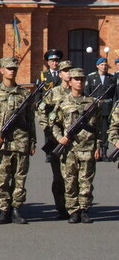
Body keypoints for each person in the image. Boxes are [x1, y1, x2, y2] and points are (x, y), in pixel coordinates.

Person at [0, 57, 36, 224]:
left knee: (20, 178)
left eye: (14, 68)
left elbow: (30, 120)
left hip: (21, 142)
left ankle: (17, 209)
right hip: (1, 143)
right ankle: (3, 209)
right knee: (2, 178)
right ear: (2, 70)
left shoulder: (24, 94)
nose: (12, 71)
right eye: (9, 68)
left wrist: (32, 142)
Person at [50, 68, 101, 224]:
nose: (79, 82)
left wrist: (98, 146)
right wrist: (60, 138)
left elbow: (98, 127)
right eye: (76, 79)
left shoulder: (92, 103)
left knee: (86, 181)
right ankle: (73, 210)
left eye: (82, 79)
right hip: (69, 148)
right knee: (70, 180)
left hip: (87, 147)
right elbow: (55, 124)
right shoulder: (63, 103)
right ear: (70, 81)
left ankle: (84, 209)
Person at [36, 59, 73, 219]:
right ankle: (60, 206)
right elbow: (41, 110)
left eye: (71, 70)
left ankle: (75, 207)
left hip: (74, 142)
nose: (68, 73)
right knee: (58, 176)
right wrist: (47, 129)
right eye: (65, 71)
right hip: (57, 140)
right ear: (60, 74)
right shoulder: (53, 92)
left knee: (74, 176)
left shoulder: (78, 92)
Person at [84, 57, 115, 161]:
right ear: (97, 66)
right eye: (102, 65)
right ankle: (95, 152)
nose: (104, 66)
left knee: (105, 130)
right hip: (94, 107)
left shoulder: (111, 78)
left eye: (105, 65)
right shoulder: (91, 77)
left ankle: (104, 151)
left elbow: (114, 94)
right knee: (94, 130)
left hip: (106, 107)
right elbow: (87, 92)